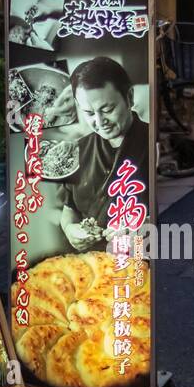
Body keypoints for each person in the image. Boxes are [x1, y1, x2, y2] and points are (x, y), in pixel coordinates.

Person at [55, 56, 150, 252]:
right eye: (89, 113)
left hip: (138, 262)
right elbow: (69, 208)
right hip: (88, 264)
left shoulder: (153, 142)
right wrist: (70, 228)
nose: (99, 121)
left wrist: (141, 225)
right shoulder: (78, 150)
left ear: (129, 97)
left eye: (107, 109)